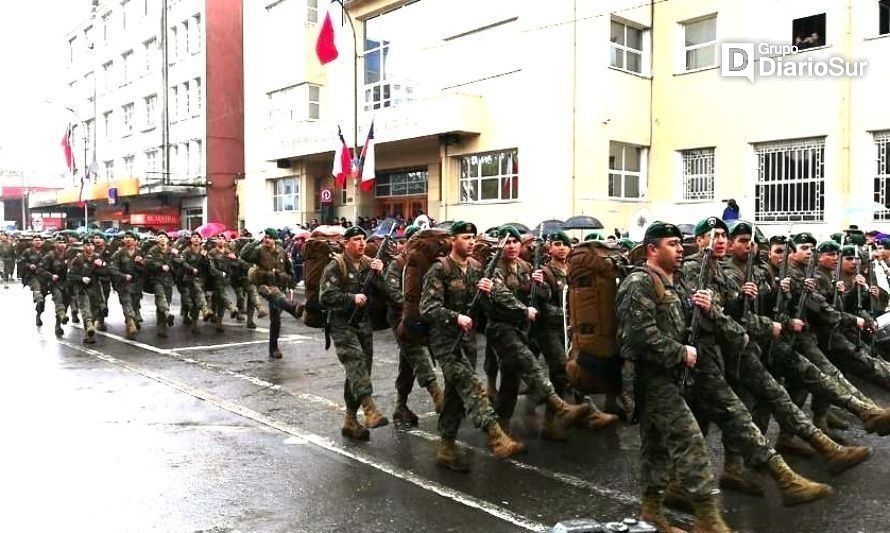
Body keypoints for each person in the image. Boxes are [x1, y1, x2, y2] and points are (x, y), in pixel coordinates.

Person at [615, 221, 729, 532]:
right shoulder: (638, 282)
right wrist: (681, 352)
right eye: (672, 244)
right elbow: (639, 337)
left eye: (681, 244)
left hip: (670, 377)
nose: (680, 249)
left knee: (657, 447)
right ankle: (708, 518)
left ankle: (651, 511)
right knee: (690, 441)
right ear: (652, 249)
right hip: (650, 379)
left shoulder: (672, 282)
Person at [420, 221, 525, 470]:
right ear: (453, 241)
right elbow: (428, 308)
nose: (471, 242)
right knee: (472, 385)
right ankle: (497, 437)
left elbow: (486, 307)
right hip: (445, 342)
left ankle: (446, 448)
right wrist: (455, 316)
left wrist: (488, 294)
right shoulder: (440, 269)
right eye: (466, 237)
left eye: (473, 238)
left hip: (467, 342)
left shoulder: (477, 268)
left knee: (456, 395)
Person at [319, 226, 389, 439]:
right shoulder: (336, 265)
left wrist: (380, 273)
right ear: (345, 243)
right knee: (356, 362)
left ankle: (350, 420)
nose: (361, 243)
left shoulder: (369, 264)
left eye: (363, 239)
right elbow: (326, 297)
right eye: (356, 239)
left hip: (364, 325)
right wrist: (351, 298)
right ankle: (370, 409)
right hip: (342, 325)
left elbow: (383, 292)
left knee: (359, 372)